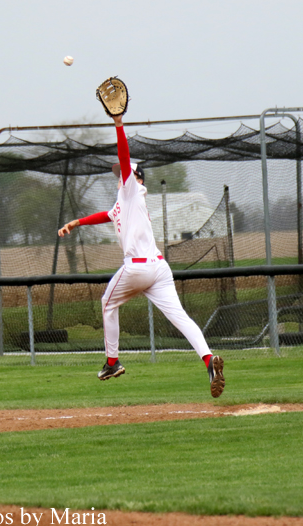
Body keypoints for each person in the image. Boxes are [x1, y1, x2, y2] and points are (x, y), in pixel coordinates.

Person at [58, 113, 225, 398]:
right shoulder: (122, 202)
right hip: (159, 269)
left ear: (136, 178)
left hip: (137, 269)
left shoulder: (132, 190)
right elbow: (106, 215)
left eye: (125, 173)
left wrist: (119, 124)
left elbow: (124, 157)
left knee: (107, 304)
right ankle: (209, 361)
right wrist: (77, 222)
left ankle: (112, 362)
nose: (120, 175)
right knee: (180, 317)